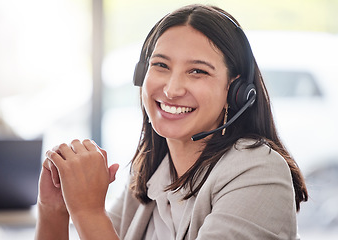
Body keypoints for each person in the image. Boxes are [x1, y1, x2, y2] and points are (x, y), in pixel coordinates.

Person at [35, 4, 308, 240]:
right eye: (161, 65)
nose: (172, 89)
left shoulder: (259, 173)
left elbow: (95, 226)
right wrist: (54, 209)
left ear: (236, 92)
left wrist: (88, 211)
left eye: (197, 71)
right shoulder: (153, 175)